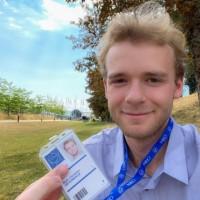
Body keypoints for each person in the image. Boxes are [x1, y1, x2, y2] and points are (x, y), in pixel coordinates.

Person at [16, 1, 200, 200]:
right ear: (106, 87)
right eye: (120, 80)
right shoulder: (83, 161)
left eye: (153, 79)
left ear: (178, 85)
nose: (134, 97)